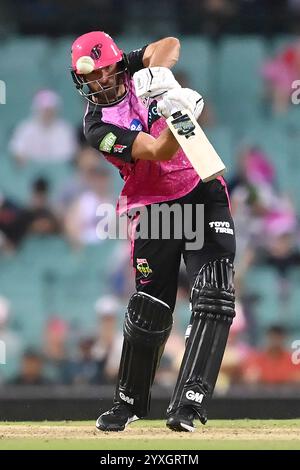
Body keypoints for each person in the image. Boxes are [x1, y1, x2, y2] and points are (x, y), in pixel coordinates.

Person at [70, 31, 236, 432]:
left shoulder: (129, 67)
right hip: (154, 206)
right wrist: (179, 115)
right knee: (150, 308)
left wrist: (159, 76)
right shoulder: (97, 126)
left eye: (103, 73)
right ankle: (128, 403)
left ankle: (189, 404)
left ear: (115, 64)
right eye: (89, 78)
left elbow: (171, 43)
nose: (98, 82)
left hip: (202, 191)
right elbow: (158, 151)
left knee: (214, 294)